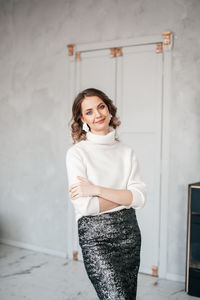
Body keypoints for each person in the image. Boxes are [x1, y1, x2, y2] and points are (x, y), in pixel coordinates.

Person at [65, 88, 146, 300]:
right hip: (95, 239)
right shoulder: (76, 154)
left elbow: (139, 197)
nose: (98, 114)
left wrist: (96, 190)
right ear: (82, 118)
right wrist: (123, 197)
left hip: (128, 234)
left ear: (109, 110)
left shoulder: (127, 152)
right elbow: (86, 206)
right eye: (89, 111)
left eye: (101, 107)